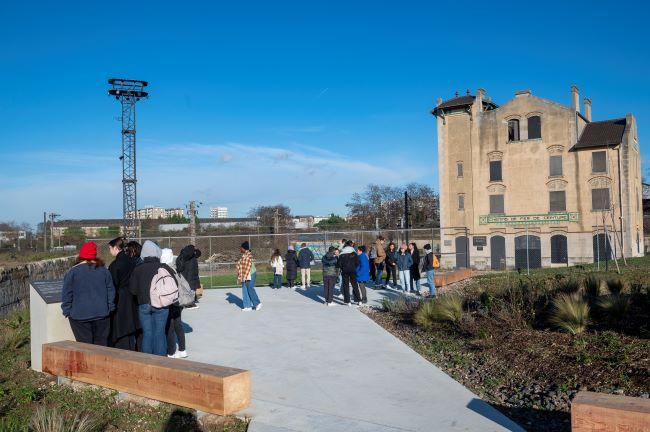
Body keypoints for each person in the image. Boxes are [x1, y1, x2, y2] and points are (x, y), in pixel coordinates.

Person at [61, 242, 115, 346]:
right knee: (101, 346)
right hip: (102, 314)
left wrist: (67, 311)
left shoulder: (72, 272)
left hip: (79, 316)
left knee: (85, 347)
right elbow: (111, 291)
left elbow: (67, 294)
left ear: (81, 255)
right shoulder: (104, 271)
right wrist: (110, 308)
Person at [129, 240, 173, 356]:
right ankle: (160, 362)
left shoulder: (138, 269)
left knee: (147, 334)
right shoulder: (163, 267)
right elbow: (174, 285)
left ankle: (147, 362)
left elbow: (133, 290)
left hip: (143, 304)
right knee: (160, 333)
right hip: (161, 304)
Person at [107, 236, 139, 350]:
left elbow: (112, 285)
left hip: (120, 299)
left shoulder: (115, 265)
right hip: (133, 296)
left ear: (115, 248)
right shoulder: (132, 261)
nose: (109, 251)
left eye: (110, 248)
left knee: (121, 328)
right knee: (131, 327)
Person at [160, 248, 187, 358]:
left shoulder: (165, 269)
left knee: (169, 326)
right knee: (178, 324)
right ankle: (182, 349)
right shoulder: (176, 266)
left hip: (170, 300)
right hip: (179, 300)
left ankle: (171, 351)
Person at [237, 241, 262, 311]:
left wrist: (244, 276)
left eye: (241, 248)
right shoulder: (244, 255)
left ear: (244, 248)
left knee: (250, 288)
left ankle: (257, 303)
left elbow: (248, 266)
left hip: (251, 274)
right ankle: (247, 306)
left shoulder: (248, 255)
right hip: (245, 274)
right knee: (244, 289)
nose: (240, 249)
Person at [176, 245, 201, 309]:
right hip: (190, 275)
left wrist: (195, 249)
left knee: (187, 289)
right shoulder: (189, 256)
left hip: (187, 275)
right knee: (190, 289)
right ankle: (190, 303)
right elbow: (198, 254)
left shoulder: (184, 256)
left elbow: (198, 254)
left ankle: (189, 301)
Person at [338, 240, 360, 306]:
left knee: (346, 285)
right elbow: (357, 263)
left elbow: (339, 264)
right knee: (355, 285)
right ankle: (358, 300)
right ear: (351, 245)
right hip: (352, 270)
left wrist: (343, 268)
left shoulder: (342, 253)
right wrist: (353, 267)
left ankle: (348, 301)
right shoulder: (354, 253)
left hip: (345, 271)